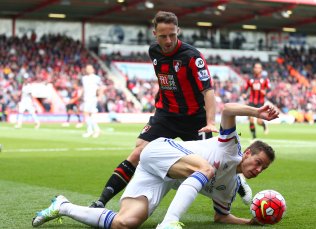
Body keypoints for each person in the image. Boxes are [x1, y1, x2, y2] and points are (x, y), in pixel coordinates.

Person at [32, 103, 279, 229]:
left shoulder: (229, 187)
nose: (258, 170)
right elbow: (227, 110)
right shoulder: (231, 147)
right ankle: (169, 222)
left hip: (161, 176)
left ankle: (62, 206)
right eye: (257, 162)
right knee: (206, 169)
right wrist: (257, 112)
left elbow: (221, 216)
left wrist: (249, 222)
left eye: (263, 169)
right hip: (160, 150)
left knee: (125, 223)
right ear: (247, 153)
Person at [89, 10, 226, 208]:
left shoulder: (192, 56)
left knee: (212, 166)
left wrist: (211, 122)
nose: (168, 40)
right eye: (163, 36)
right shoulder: (153, 51)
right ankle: (101, 202)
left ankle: (237, 188)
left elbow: (208, 91)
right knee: (138, 151)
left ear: (178, 30)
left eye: (172, 34)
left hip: (194, 118)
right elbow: (166, 78)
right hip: (167, 115)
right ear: (155, 34)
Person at [244, 62, 271, 139]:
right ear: (253, 69)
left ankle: (264, 125)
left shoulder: (265, 79)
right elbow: (245, 88)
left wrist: (266, 92)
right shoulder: (250, 79)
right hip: (252, 101)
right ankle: (254, 137)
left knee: (259, 121)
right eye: (255, 67)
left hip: (260, 102)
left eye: (258, 67)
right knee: (251, 120)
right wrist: (244, 93)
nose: (257, 69)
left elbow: (269, 89)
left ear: (261, 69)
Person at [81, 64, 104, 138]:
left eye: (89, 68)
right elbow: (84, 89)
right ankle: (94, 130)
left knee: (87, 113)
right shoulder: (84, 78)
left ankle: (91, 130)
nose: (88, 69)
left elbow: (100, 87)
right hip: (86, 98)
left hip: (92, 98)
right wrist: (82, 96)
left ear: (93, 69)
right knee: (90, 114)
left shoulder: (96, 78)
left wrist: (100, 96)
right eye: (87, 68)